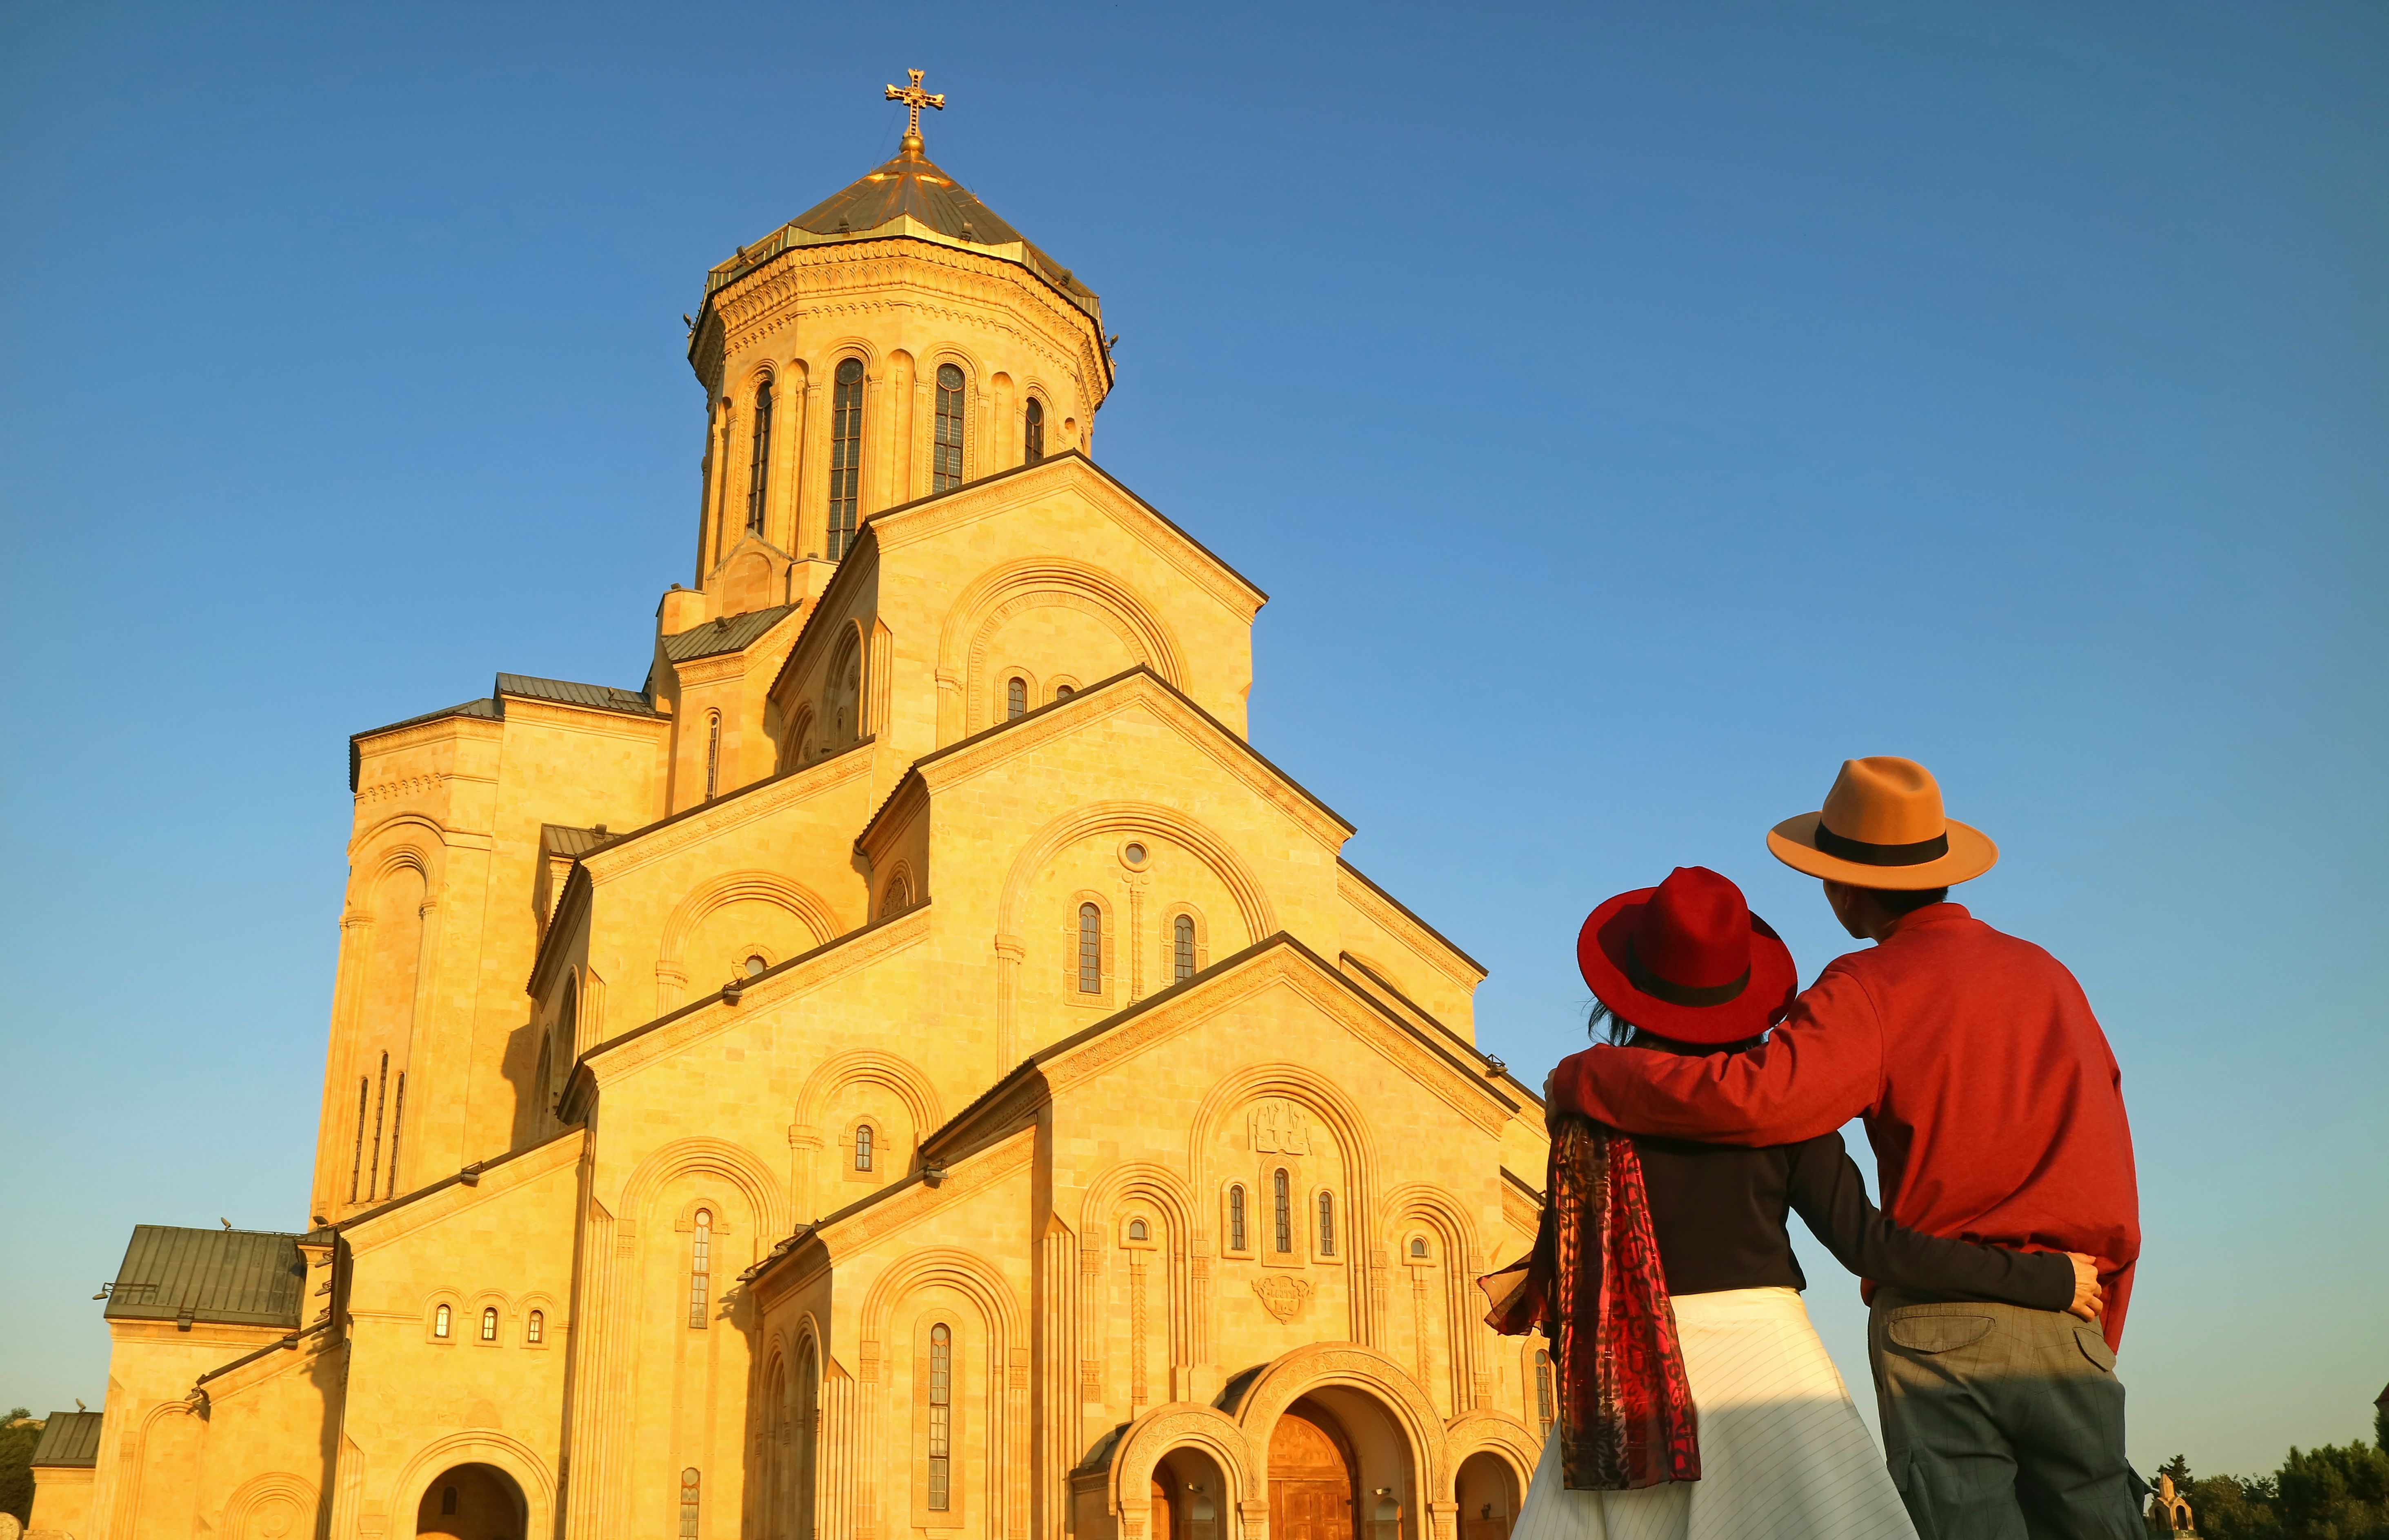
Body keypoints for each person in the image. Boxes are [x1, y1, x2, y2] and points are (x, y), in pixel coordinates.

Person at [1547, 758, 2143, 1540]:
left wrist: (1591, 1075)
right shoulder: (2050, 977)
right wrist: (2079, 1303)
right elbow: (2108, 1163)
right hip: (2069, 1310)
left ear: (1842, 885)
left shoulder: (1865, 988)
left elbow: (1757, 1099)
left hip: (1936, 1328)